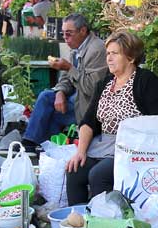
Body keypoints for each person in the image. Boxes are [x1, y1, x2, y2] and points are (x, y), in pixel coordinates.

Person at [64, 30, 158, 205]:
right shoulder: (105, 83)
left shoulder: (147, 81)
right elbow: (88, 122)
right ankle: (80, 222)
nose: (109, 58)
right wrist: (80, 152)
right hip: (104, 146)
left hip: (135, 151)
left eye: (115, 53)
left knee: (98, 175)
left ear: (130, 57)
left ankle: (108, 224)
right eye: (108, 54)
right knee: (75, 170)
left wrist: (133, 146)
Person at [23, 13, 107, 150]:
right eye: (63, 34)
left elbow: (92, 88)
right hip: (76, 97)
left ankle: (33, 145)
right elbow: (65, 78)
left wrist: (68, 68)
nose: (65, 38)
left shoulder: (96, 49)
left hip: (89, 105)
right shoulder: (77, 47)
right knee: (48, 99)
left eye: (69, 34)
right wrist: (60, 92)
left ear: (83, 31)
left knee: (50, 108)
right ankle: (40, 147)